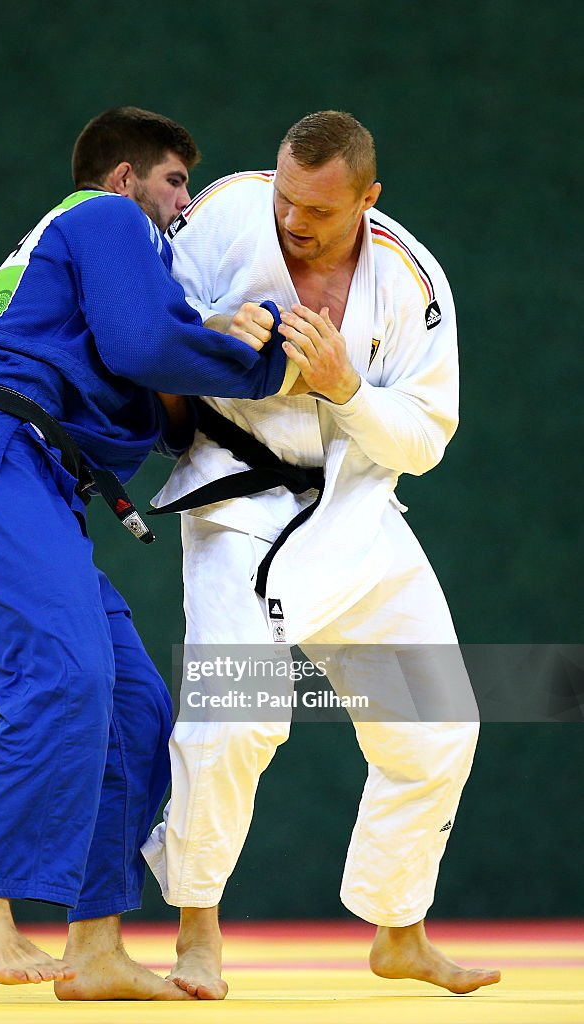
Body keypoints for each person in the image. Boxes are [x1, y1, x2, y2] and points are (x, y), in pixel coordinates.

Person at [0, 106, 291, 1001]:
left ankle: (98, 946)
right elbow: (144, 347)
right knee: (66, 681)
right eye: (175, 181)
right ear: (124, 178)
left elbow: (152, 390)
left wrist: (217, 331)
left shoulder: (94, 260)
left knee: (138, 707)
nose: (183, 203)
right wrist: (270, 365)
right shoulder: (105, 218)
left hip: (30, 484)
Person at [142, 110, 502, 998]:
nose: (294, 222)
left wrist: (346, 386)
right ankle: (196, 933)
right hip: (240, 504)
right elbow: (139, 318)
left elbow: (422, 439)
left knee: (440, 723)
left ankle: (400, 931)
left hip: (356, 507)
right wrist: (211, 331)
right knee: (237, 720)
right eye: (287, 199)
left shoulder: (412, 282)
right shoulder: (227, 214)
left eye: (320, 211)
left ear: (369, 200)